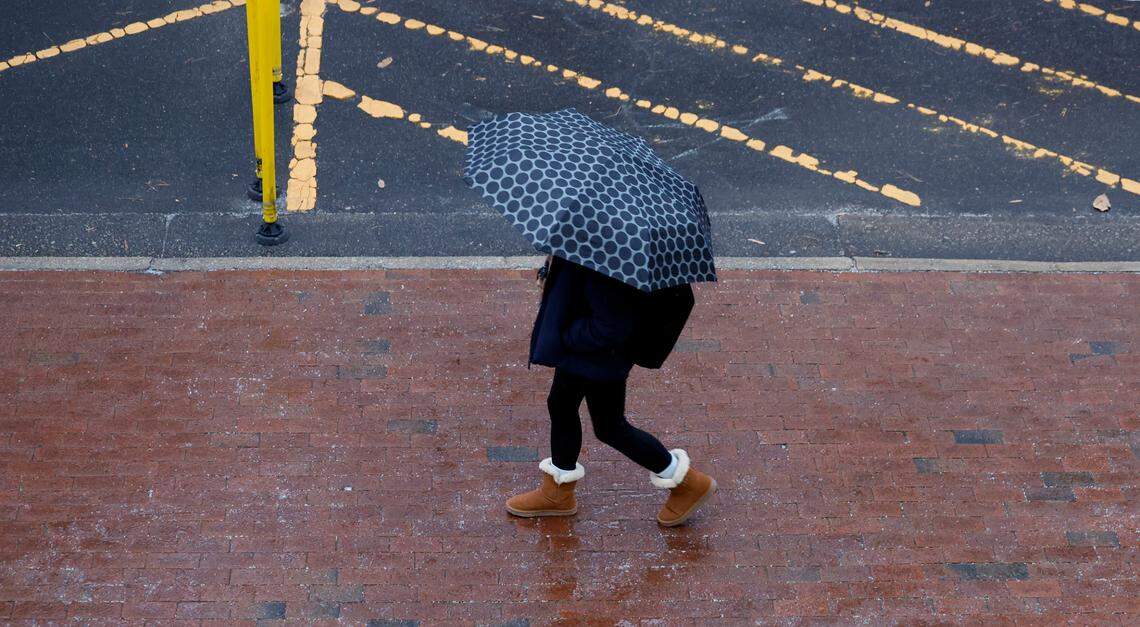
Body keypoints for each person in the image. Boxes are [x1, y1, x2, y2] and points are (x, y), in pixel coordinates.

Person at [505, 255, 717, 527]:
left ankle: (687, 482)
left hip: (596, 353)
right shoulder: (594, 243)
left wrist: (565, 335)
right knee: (562, 403)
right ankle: (557, 489)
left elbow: (610, 327)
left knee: (609, 426)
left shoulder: (608, 259)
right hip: (590, 350)